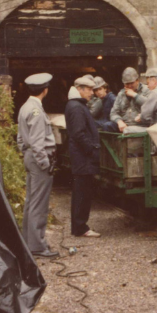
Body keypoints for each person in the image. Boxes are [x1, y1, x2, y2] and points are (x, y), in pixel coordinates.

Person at [17, 73, 58, 258]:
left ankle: (28, 242)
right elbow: (37, 142)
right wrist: (44, 162)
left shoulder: (25, 107)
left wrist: (26, 152)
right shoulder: (37, 111)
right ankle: (38, 247)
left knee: (31, 201)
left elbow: (21, 137)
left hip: (29, 156)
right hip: (39, 158)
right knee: (39, 204)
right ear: (45, 90)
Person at [65, 76, 101, 238]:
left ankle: (79, 227)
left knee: (82, 192)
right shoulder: (77, 107)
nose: (92, 93)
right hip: (83, 158)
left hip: (81, 157)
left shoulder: (76, 105)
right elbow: (78, 133)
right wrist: (91, 149)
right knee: (82, 193)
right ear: (80, 89)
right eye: (89, 89)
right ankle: (80, 227)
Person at [109, 67, 150, 132]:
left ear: (137, 81)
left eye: (132, 83)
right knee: (107, 125)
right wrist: (119, 121)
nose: (130, 86)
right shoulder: (121, 94)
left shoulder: (147, 90)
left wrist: (135, 95)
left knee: (128, 130)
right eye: (127, 84)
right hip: (124, 124)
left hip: (140, 125)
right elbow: (113, 113)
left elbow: (149, 105)